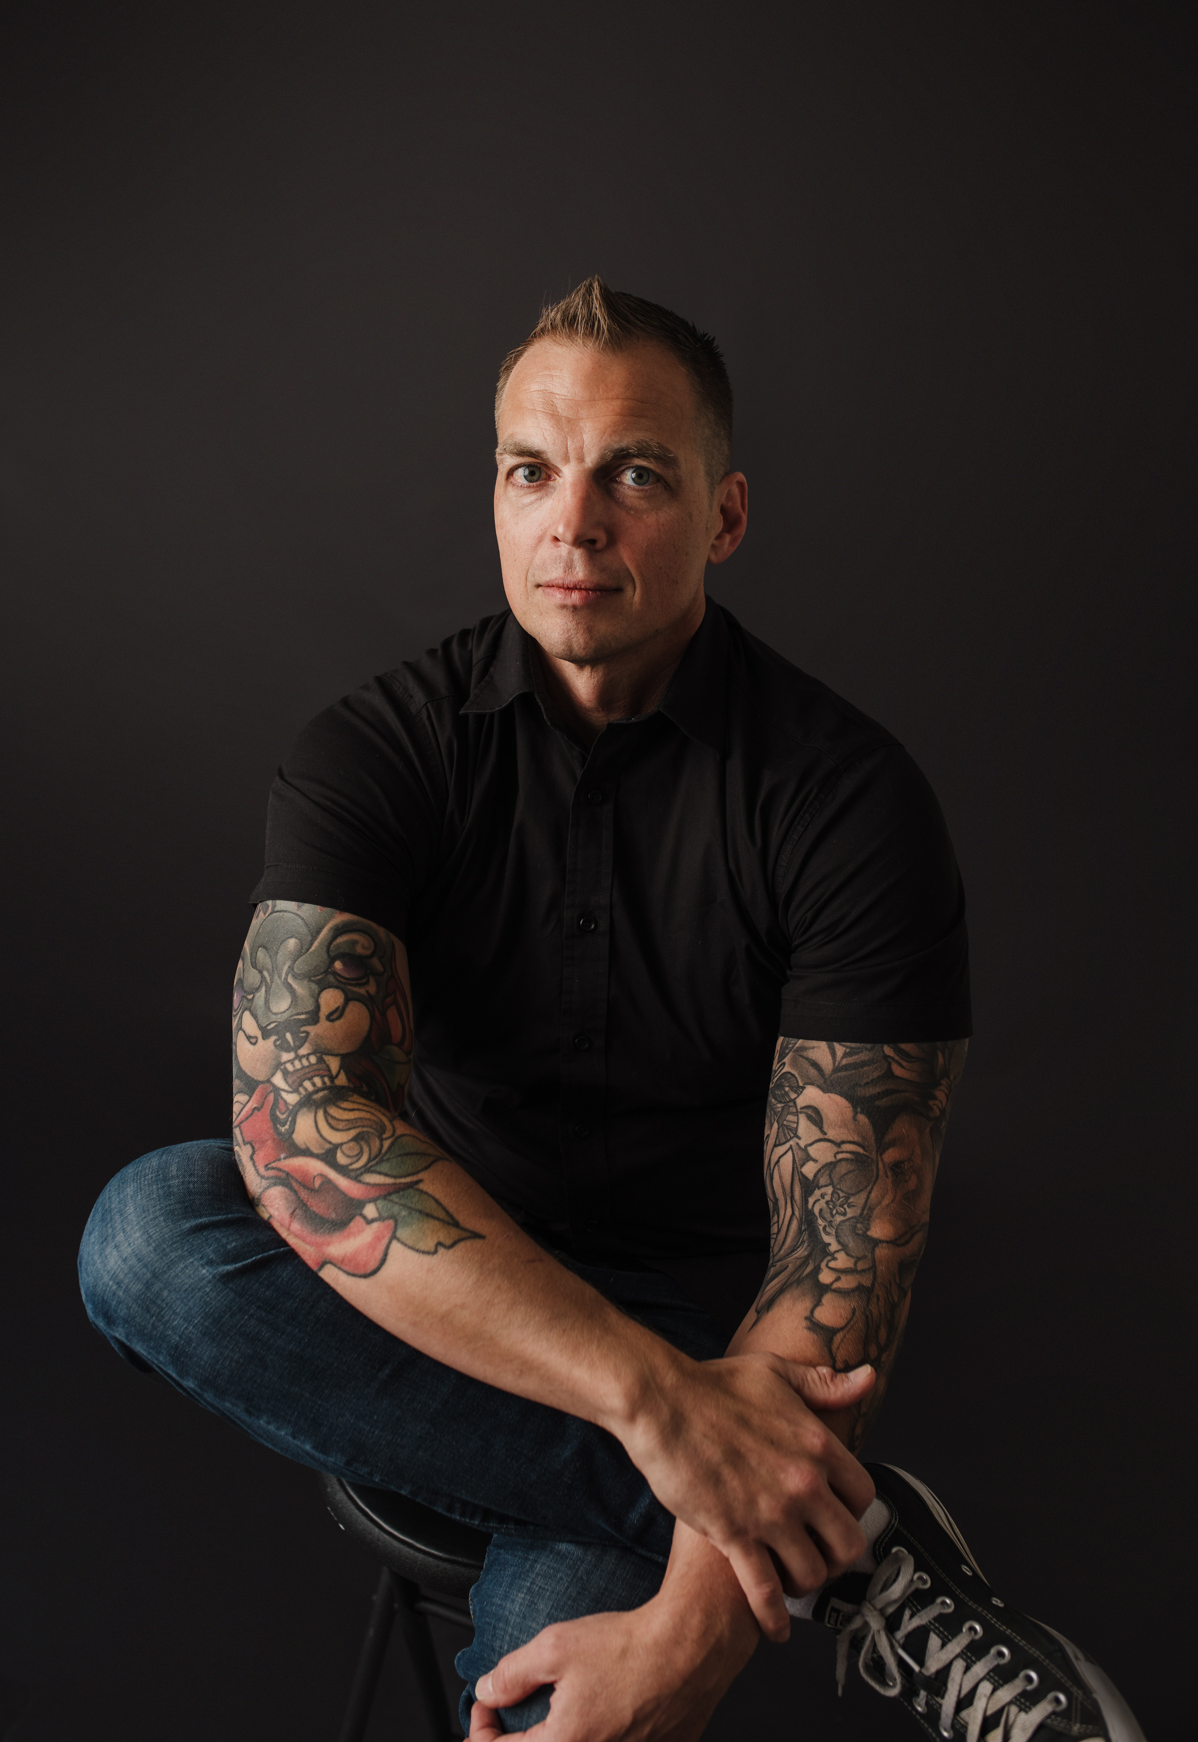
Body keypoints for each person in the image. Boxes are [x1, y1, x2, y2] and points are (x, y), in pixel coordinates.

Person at [79, 279, 1142, 1742]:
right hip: (439, 1300)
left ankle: (790, 1528)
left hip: (716, 1333)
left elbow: (845, 1267)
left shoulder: (849, 803)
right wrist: (658, 1412)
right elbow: (302, 1128)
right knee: (147, 1234)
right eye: (532, 471)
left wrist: (695, 1617)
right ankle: (857, 1557)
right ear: (496, 499)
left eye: (633, 475)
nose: (572, 522)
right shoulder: (374, 753)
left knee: (561, 1722)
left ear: (725, 515)